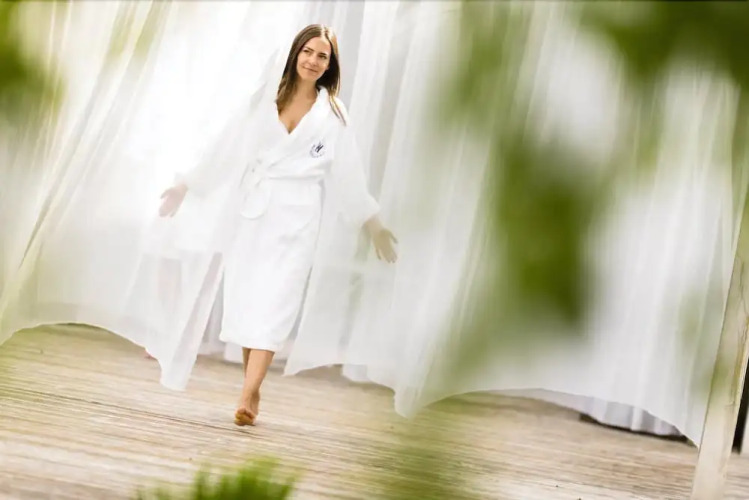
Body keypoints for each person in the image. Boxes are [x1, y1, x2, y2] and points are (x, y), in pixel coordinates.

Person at [157, 24, 398, 426]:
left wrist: (372, 223)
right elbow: (225, 146)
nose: (313, 61)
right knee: (249, 304)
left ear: (330, 65)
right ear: (295, 53)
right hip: (252, 215)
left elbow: (349, 175)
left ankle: (248, 392)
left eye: (322, 56)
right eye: (308, 52)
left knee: (276, 302)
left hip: (297, 219)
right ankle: (252, 386)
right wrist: (186, 185)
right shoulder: (265, 99)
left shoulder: (333, 115)